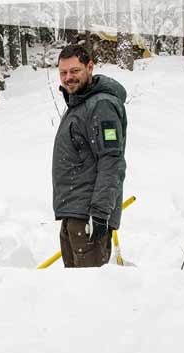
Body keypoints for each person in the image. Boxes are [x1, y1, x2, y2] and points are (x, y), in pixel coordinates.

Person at [52, 44, 127, 268]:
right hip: (73, 214)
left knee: (91, 296)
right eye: (63, 72)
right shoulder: (80, 104)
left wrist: (100, 213)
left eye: (75, 71)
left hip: (88, 217)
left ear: (90, 67)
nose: (68, 78)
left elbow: (111, 160)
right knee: (75, 293)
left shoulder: (101, 105)